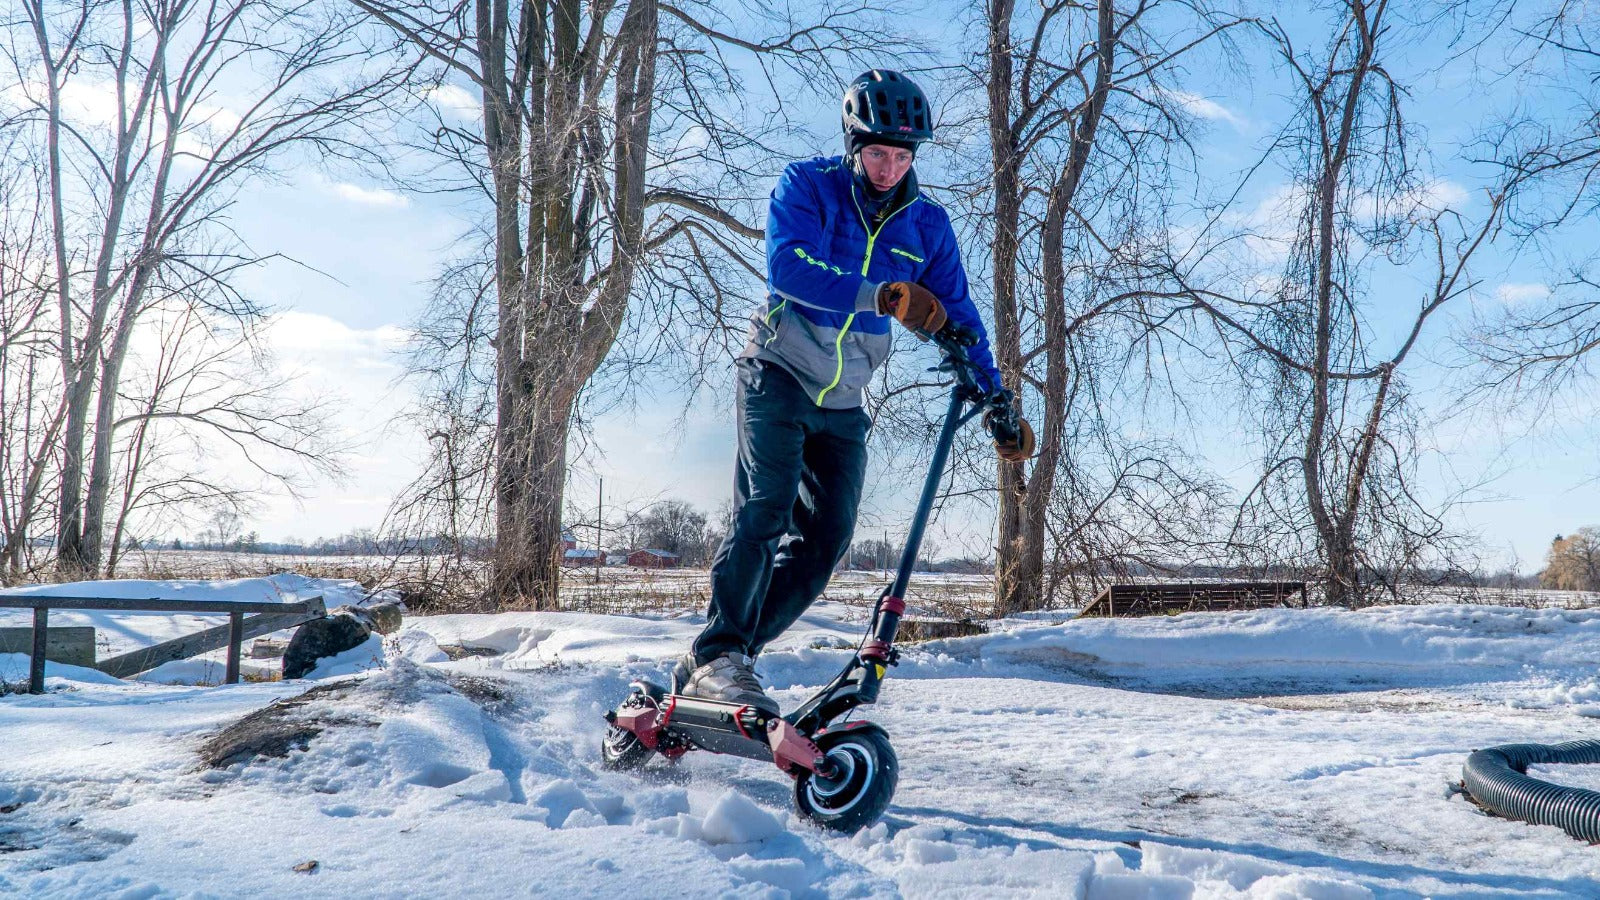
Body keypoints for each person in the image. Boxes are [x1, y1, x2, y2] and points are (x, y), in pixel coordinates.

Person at [673, 69, 1035, 714]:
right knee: (766, 507)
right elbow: (788, 267)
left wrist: (997, 401)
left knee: (827, 540)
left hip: (844, 400)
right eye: (877, 152)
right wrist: (883, 295)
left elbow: (959, 315)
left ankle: (720, 657)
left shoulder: (927, 225)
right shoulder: (807, 186)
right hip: (778, 372)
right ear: (853, 144)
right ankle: (720, 653)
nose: (889, 167)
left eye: (902, 155)